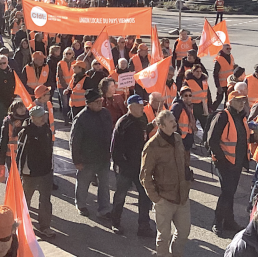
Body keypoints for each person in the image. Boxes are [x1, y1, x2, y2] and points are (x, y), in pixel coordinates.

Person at [140, 110, 192, 256]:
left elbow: (183, 160)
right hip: (164, 199)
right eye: (170, 121)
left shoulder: (177, 138)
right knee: (164, 237)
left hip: (182, 196)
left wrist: (187, 175)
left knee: (184, 232)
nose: (175, 123)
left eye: (174, 120)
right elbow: (145, 176)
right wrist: (156, 199)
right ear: (161, 126)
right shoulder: (152, 147)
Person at [110, 94, 155, 237]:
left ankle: (144, 226)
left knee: (144, 195)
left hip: (141, 166)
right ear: (131, 107)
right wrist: (123, 165)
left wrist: (152, 125)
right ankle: (115, 222)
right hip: (126, 168)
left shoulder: (142, 119)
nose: (143, 108)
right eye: (140, 106)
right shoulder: (122, 123)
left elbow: (142, 135)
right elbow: (114, 149)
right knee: (120, 196)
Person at [208, 91, 250, 237]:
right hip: (225, 163)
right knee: (227, 193)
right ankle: (217, 222)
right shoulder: (223, 116)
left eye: (243, 101)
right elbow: (212, 141)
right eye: (238, 101)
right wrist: (222, 160)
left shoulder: (241, 117)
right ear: (230, 101)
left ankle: (229, 221)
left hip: (236, 162)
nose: (242, 103)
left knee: (230, 193)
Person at [70, 89, 113, 218]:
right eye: (97, 102)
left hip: (103, 157)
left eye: (101, 101)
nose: (100, 103)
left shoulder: (105, 114)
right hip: (87, 159)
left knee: (104, 185)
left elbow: (111, 134)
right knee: (83, 184)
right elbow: (74, 141)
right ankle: (81, 205)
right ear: (89, 103)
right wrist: (76, 161)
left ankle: (104, 209)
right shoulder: (81, 119)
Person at [16, 106, 56, 238]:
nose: (43, 118)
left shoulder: (46, 129)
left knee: (45, 200)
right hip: (30, 173)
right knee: (26, 199)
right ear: (32, 118)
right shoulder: (26, 132)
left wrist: (50, 167)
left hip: (46, 171)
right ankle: (22, 225)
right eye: (40, 116)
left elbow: (49, 149)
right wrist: (19, 171)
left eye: (44, 115)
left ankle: (45, 226)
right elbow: (20, 154)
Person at [0, 101, 28, 172]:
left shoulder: (28, 119)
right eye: (20, 108)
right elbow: (3, 141)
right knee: (13, 177)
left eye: (23, 107)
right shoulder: (8, 121)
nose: (23, 109)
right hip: (11, 155)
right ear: (14, 110)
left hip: (25, 154)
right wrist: (1, 161)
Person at [171, 86, 197, 170]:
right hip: (180, 136)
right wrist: (177, 132)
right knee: (179, 158)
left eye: (190, 95)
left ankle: (186, 172)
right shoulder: (177, 106)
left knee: (186, 156)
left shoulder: (189, 107)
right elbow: (172, 121)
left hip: (188, 135)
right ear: (181, 96)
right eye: (186, 95)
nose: (188, 97)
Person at [184, 64, 212, 129]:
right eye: (197, 71)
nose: (199, 73)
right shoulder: (188, 82)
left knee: (206, 126)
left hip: (203, 106)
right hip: (193, 107)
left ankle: (206, 138)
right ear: (193, 72)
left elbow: (208, 94)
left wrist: (210, 105)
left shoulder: (204, 80)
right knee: (191, 125)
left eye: (200, 71)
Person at [57, 47, 76, 125]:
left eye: (70, 53)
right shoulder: (60, 63)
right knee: (65, 104)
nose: (68, 55)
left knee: (72, 103)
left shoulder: (75, 63)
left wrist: (72, 86)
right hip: (62, 86)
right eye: (66, 53)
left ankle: (72, 118)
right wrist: (65, 87)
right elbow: (60, 76)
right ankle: (66, 120)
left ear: (73, 54)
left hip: (72, 87)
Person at [213, 44, 234, 110]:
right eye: (227, 48)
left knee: (228, 100)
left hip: (230, 83)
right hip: (222, 85)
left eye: (230, 48)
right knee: (219, 99)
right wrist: (218, 86)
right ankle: (210, 112)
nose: (229, 50)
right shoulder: (218, 59)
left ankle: (226, 114)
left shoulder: (231, 56)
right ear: (222, 49)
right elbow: (215, 74)